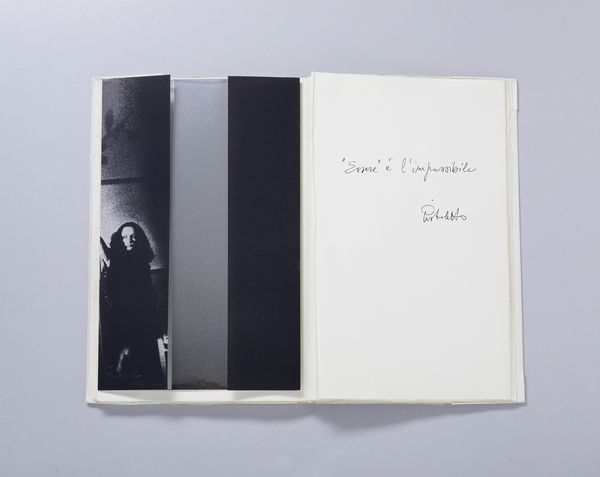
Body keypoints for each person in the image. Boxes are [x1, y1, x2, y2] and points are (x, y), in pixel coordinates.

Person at [99, 222, 164, 388]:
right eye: (125, 237)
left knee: (145, 354)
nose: (129, 240)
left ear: (139, 238)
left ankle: (147, 378)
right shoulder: (115, 259)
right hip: (121, 311)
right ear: (120, 239)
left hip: (142, 311)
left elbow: (146, 292)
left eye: (133, 236)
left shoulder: (141, 261)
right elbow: (99, 244)